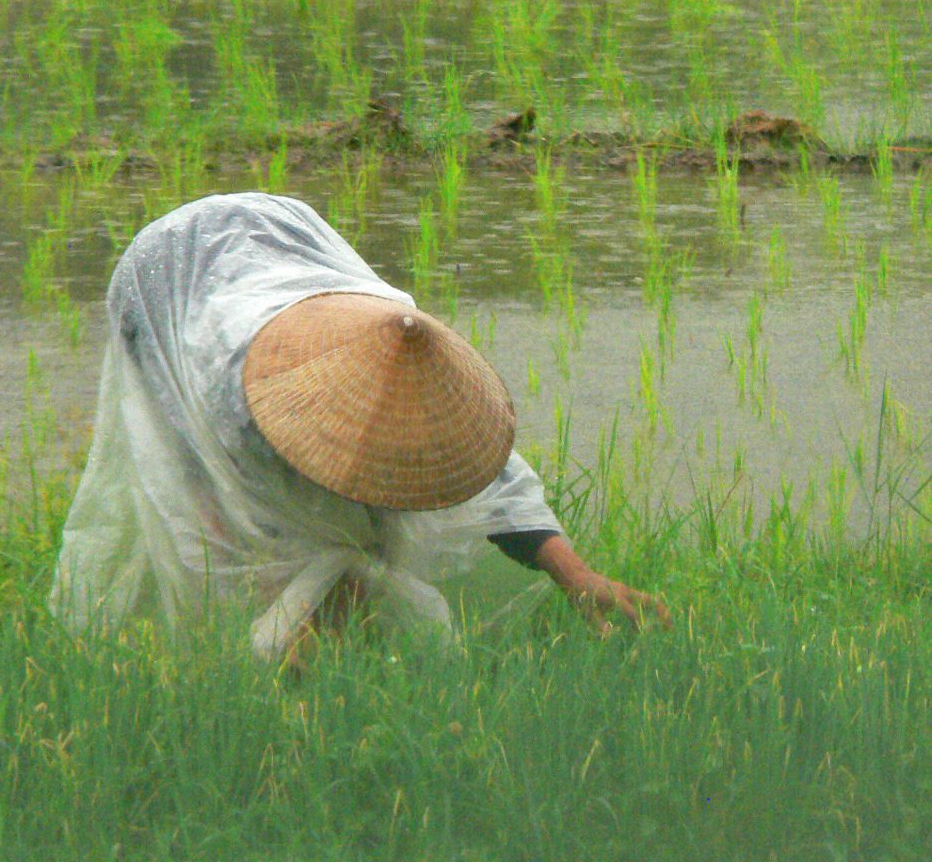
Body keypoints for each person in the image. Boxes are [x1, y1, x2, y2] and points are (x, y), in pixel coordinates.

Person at [50, 193, 669, 660]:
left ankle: (330, 652)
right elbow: (203, 490)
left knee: (348, 548)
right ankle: (267, 672)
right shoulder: (228, 396)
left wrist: (577, 575)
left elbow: (493, 479)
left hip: (285, 238)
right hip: (165, 273)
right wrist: (281, 597)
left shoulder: (422, 363)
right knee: (243, 530)